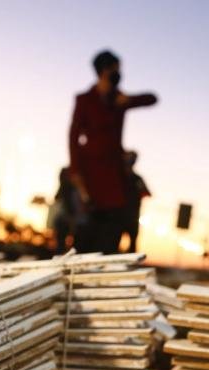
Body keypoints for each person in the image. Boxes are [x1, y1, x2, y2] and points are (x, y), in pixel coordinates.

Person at [68, 49, 157, 254]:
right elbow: (73, 137)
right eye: (115, 69)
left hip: (114, 176)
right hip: (90, 173)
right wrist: (75, 171)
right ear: (103, 70)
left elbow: (153, 98)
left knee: (111, 233)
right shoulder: (84, 99)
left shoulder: (119, 101)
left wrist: (128, 99)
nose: (119, 73)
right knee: (86, 232)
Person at [121, 150, 150, 253]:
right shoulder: (119, 176)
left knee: (132, 245)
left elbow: (147, 193)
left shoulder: (137, 179)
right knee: (112, 243)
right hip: (117, 215)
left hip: (132, 216)